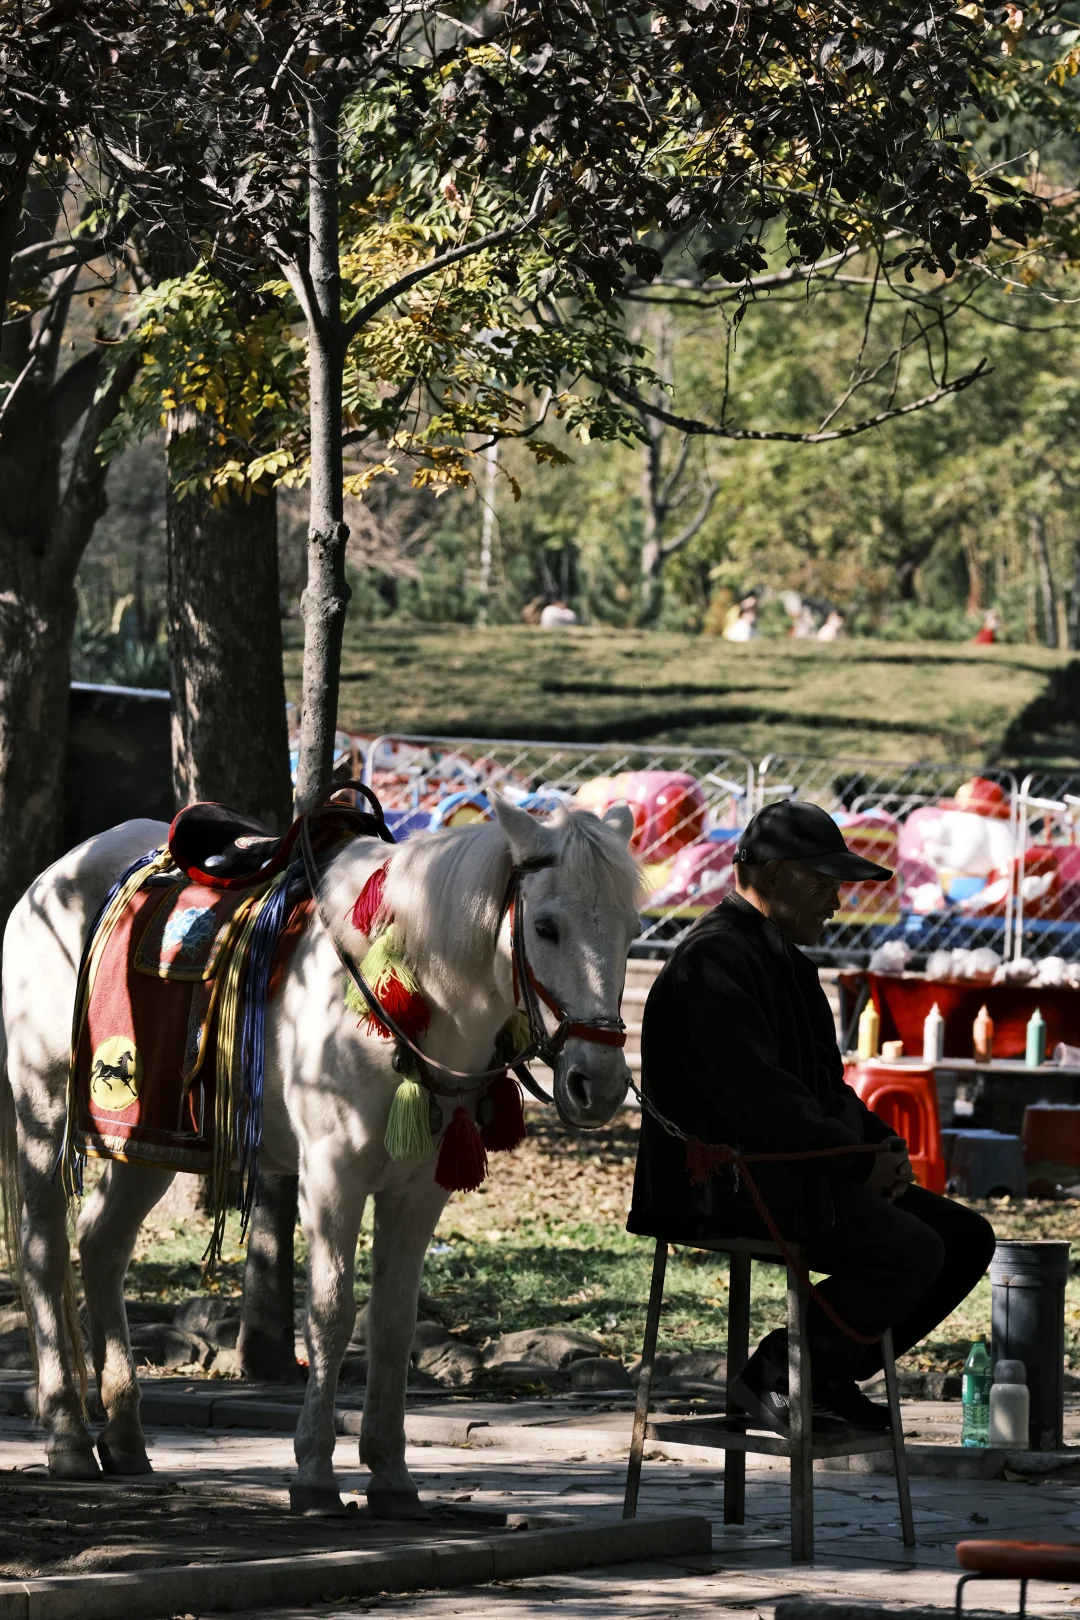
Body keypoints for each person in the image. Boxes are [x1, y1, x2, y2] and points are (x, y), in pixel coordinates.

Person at [628, 799, 995, 1434]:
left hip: (798, 1167)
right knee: (910, 1249)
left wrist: (881, 1146)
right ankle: (781, 1368)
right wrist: (854, 1164)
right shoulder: (711, 961)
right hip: (728, 1184)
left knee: (966, 1238)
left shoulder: (789, 962)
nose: (836, 902)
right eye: (823, 884)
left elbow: (826, 1089)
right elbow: (760, 1100)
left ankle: (821, 1373)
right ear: (771, 877)